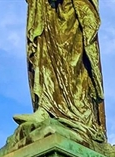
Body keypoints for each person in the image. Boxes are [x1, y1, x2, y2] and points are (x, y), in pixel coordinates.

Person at [22, 0, 106, 143]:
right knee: (45, 47)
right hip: (47, 6)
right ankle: (46, 107)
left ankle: (79, 117)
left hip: (74, 7)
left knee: (72, 57)